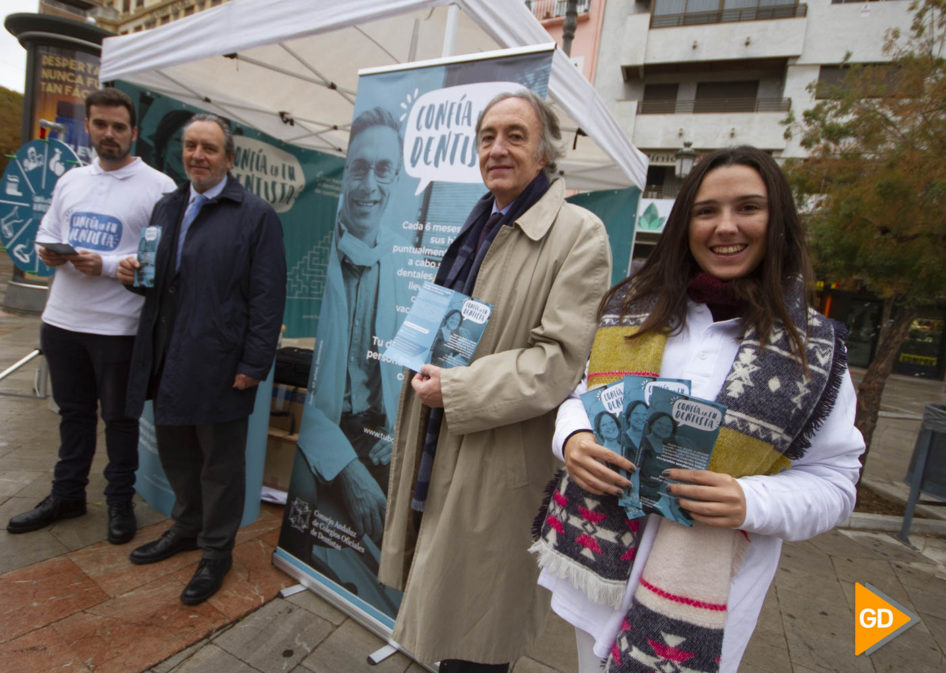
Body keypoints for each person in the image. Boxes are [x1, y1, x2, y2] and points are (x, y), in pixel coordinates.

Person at [531, 146, 865, 673]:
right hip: (599, 575)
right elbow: (582, 398)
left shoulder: (814, 351)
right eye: (706, 211)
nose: (725, 227)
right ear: (685, 223)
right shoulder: (633, 311)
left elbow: (837, 480)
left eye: (748, 208)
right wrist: (573, 440)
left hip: (705, 599)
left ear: (778, 221)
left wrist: (749, 500)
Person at [378, 90, 612, 672]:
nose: (498, 149)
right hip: (447, 433)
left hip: (498, 453)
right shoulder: (483, 220)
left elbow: (558, 360)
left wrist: (454, 390)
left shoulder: (580, 234)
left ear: (544, 154)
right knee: (442, 600)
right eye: (487, 137)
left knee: (477, 626)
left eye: (515, 135)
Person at [117, 114, 286, 605]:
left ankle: (216, 551)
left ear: (229, 159)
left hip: (220, 363)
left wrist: (254, 365)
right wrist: (134, 275)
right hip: (167, 359)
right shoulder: (167, 206)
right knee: (177, 453)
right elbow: (154, 279)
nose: (198, 155)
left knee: (221, 465)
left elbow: (267, 296)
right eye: (191, 146)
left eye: (210, 148)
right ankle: (187, 527)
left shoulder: (255, 216)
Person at [8, 88, 176, 544]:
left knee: (120, 421)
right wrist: (50, 253)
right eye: (100, 124)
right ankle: (67, 496)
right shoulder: (71, 180)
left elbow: (162, 258)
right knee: (73, 415)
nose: (109, 134)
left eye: (119, 127)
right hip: (62, 320)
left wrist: (101, 265)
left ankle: (119, 502)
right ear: (89, 127)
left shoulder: (160, 187)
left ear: (134, 133)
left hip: (118, 326)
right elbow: (48, 232)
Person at [292, 107, 405, 546]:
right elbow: (294, 371)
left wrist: (400, 434)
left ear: (396, 178)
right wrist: (344, 465)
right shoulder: (311, 251)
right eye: (358, 168)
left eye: (383, 170)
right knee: (305, 504)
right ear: (342, 174)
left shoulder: (407, 262)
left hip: (379, 429)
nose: (369, 186)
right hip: (319, 422)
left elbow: (417, 368)